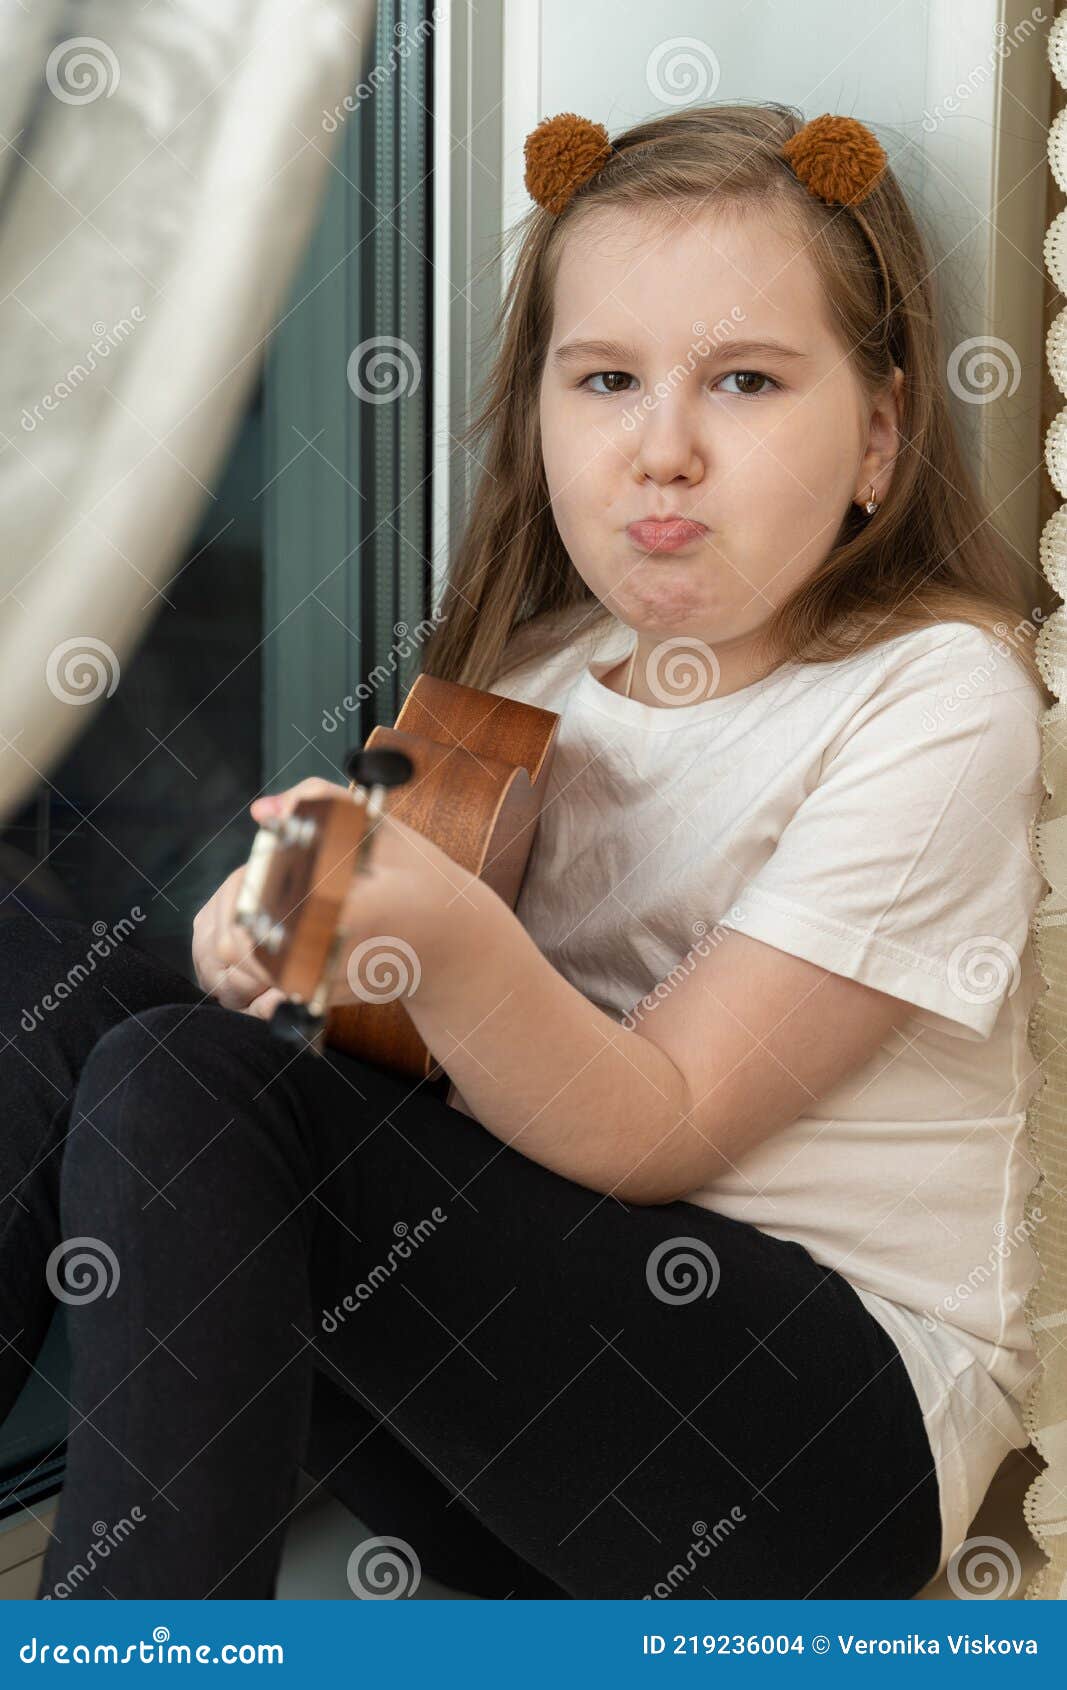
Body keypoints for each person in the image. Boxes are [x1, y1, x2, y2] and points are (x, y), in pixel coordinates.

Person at [0, 103, 1047, 1602]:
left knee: (185, 1077)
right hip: (534, 1452)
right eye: (607, 379)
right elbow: (379, 1048)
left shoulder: (939, 694)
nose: (663, 448)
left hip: (814, 1467)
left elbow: (660, 1123)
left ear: (879, 431)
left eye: (745, 381)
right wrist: (270, 943)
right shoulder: (535, 679)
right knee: (45, 961)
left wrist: (436, 937)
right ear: (541, 408)